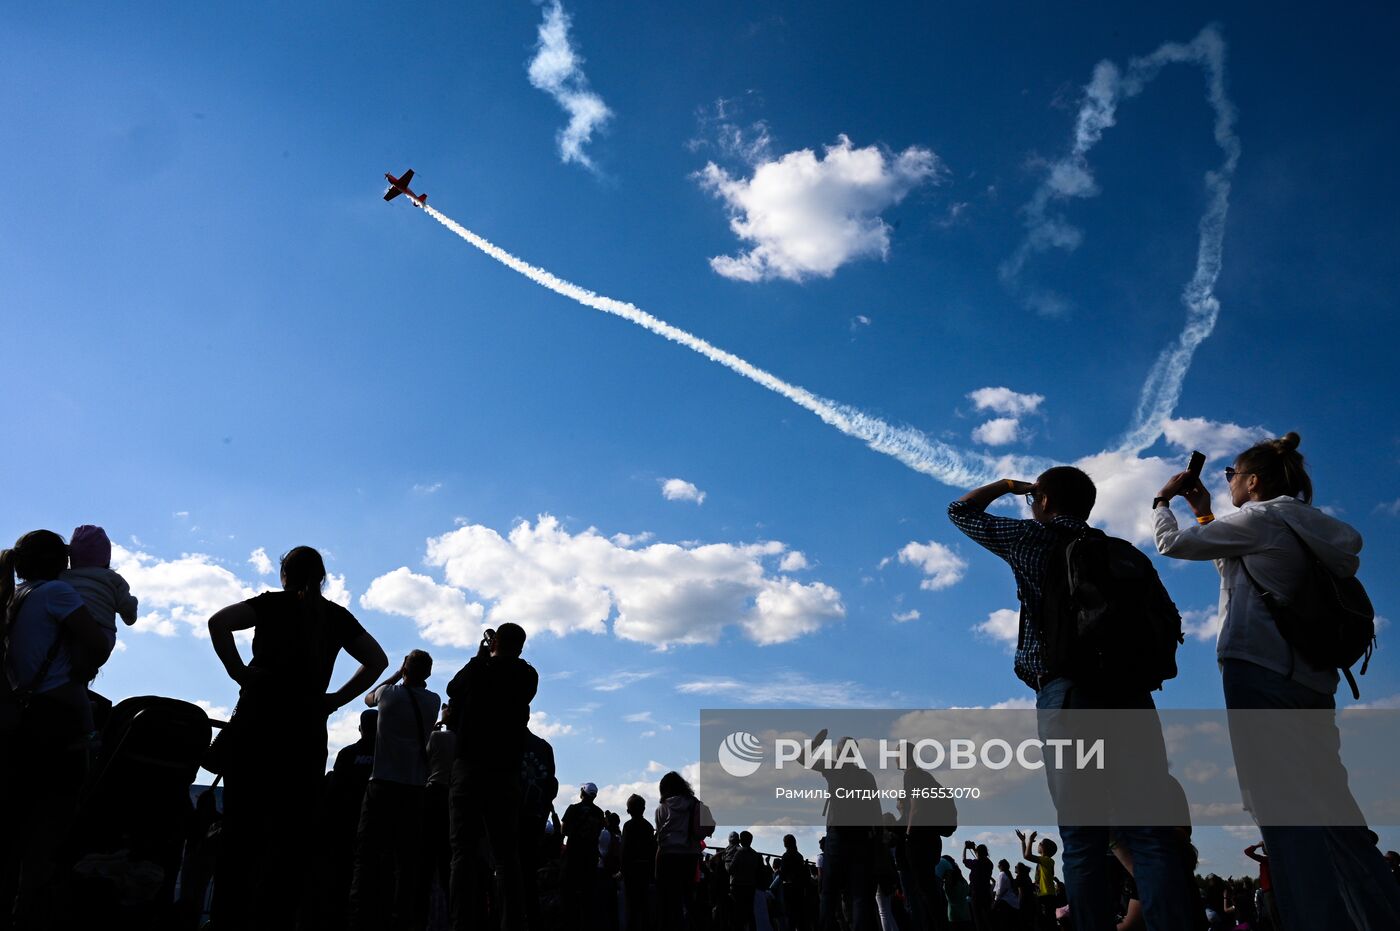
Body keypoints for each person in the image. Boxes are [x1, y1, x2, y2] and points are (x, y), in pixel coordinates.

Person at [1154, 431, 1400, 930]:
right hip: (1313, 681)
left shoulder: (1260, 518)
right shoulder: (1308, 529)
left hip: (1259, 672)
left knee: (1283, 815)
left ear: (1254, 481)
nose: (1227, 483)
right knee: (1335, 814)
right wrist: (1205, 512)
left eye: (1231, 476)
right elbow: (1240, 563)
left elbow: (1171, 543)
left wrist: (1163, 501)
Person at [948, 468, 1194, 930]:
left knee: (1082, 837)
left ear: (1042, 500)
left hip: (1068, 693)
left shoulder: (1033, 540)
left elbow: (959, 511)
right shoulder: (1124, 554)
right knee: (1151, 834)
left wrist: (1005, 487)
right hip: (1131, 695)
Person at [207, 545, 388, 930]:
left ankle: (227, 917)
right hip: (305, 732)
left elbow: (218, 622)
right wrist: (335, 700)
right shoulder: (336, 617)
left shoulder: (270, 605)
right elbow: (377, 660)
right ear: (321, 577)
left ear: (284, 573)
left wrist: (238, 672)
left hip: (257, 725)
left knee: (240, 830)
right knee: (291, 836)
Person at [0, 530, 108, 929]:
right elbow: (97, 644)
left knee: (13, 828)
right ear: (61, 562)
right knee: (49, 833)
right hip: (57, 721)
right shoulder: (56, 594)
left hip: (21, 719)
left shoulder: (18, 596)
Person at [447, 622, 538, 931]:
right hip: (505, 772)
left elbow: (453, 688)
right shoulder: (527, 676)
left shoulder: (478, 669)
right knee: (506, 856)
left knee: (464, 852)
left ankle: (463, 922)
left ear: (495, 641)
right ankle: (512, 922)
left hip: (470, 768)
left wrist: (480, 653)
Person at [349, 650, 442, 930]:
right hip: (414, 788)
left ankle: (359, 915)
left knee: (367, 854)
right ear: (428, 674)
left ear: (404, 669)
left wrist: (396, 673)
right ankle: (403, 918)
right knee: (407, 859)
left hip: (382, 784)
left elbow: (368, 698)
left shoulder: (388, 694)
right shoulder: (433, 701)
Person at [59, 524, 136, 682]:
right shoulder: (113, 580)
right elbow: (129, 614)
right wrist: (132, 607)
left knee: (66, 672)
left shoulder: (63, 577)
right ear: (106, 557)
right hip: (102, 636)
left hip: (68, 633)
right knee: (84, 671)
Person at [654, 770, 716, 931]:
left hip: (666, 857)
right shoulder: (695, 805)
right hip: (689, 856)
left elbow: (659, 838)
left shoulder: (662, 808)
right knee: (689, 897)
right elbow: (710, 828)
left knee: (669, 901)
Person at [521, 727, 560, 931]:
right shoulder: (544, 747)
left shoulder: (504, 742)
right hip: (534, 820)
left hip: (513, 821)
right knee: (529, 881)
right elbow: (551, 786)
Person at [563, 783, 608, 931]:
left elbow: (563, 831)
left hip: (573, 857)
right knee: (588, 897)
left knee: (570, 895)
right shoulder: (599, 813)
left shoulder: (572, 809)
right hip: (590, 858)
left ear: (582, 792)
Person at [622, 794, 657, 931]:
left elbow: (624, 851)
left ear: (628, 810)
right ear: (643, 809)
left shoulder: (628, 826)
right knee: (645, 907)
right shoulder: (648, 826)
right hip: (646, 870)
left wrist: (623, 870)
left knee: (631, 907)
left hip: (631, 871)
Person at [1016, 832, 1057, 931]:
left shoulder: (1046, 860)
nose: (1038, 844)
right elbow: (1026, 855)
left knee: (1046, 923)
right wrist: (1023, 841)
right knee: (1045, 922)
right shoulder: (1045, 861)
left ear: (1044, 848)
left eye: (1040, 843)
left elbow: (1027, 856)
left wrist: (1030, 840)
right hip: (1045, 896)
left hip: (1046, 896)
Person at [779, 835, 812, 931]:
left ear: (786, 843)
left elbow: (782, 875)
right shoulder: (799, 856)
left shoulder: (786, 856)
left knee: (790, 914)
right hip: (799, 888)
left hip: (789, 888)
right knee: (799, 914)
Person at [961, 843, 993, 930]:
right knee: (988, 918)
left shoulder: (975, 863)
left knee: (978, 919)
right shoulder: (989, 863)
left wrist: (965, 848)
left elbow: (964, 860)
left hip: (976, 894)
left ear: (977, 853)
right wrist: (974, 847)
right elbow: (981, 855)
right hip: (986, 893)